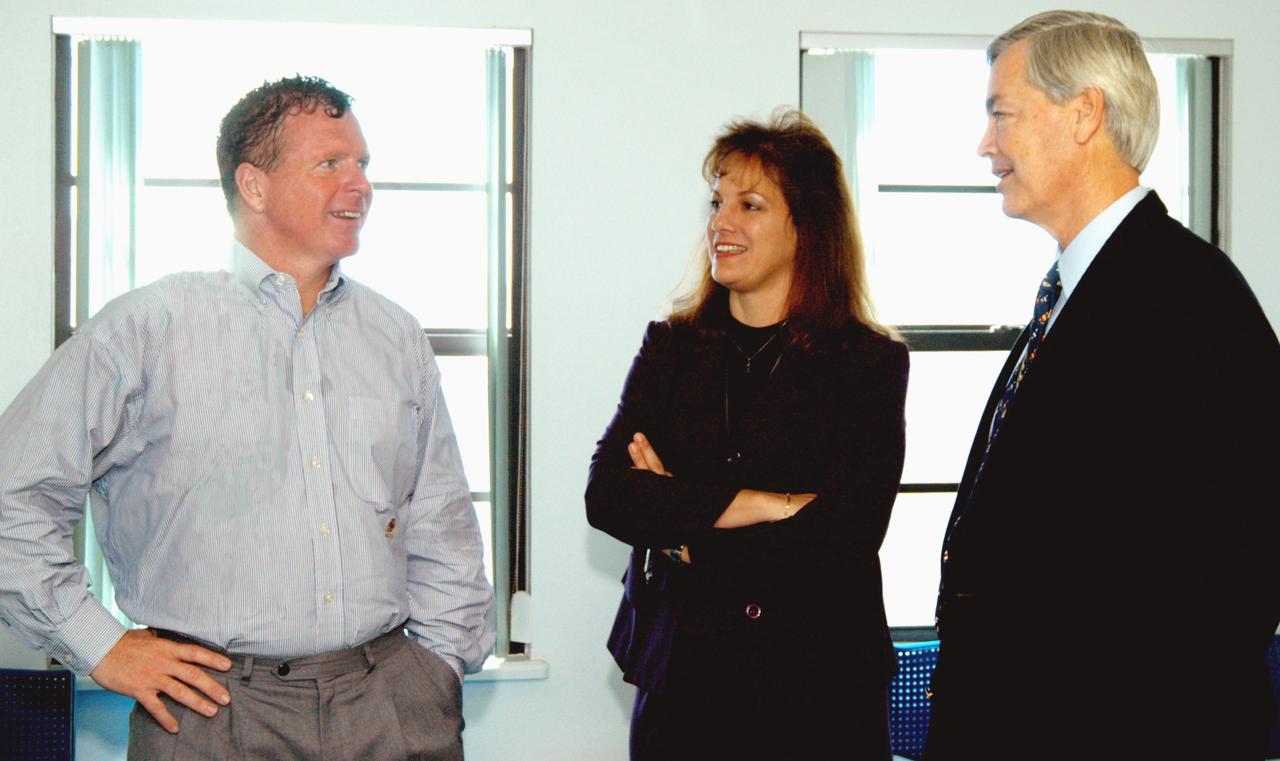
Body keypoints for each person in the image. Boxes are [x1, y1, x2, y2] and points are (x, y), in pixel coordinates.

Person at [0, 75, 494, 760]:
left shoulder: (396, 335)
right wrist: (101, 642)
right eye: (330, 164)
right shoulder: (147, 330)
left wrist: (438, 670)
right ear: (254, 186)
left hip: (389, 706)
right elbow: (12, 497)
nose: (360, 185)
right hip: (211, 715)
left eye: (363, 164)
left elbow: (440, 520)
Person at [927, 11, 1280, 759]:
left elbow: (1229, 582)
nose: (985, 145)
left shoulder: (1189, 301)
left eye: (1001, 114)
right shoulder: (1082, 292)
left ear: (1085, 113)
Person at [585, 110, 909, 761]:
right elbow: (609, 497)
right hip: (684, 690)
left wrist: (685, 531)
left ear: (806, 226)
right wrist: (765, 503)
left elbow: (847, 533)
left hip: (820, 692)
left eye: (750, 204)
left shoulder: (868, 363)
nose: (720, 222)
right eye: (717, 201)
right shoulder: (671, 347)